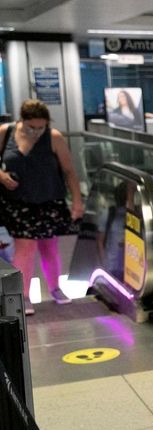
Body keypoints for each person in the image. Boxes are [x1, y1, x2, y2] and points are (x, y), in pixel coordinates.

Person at [0, 99, 84, 315]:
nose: (36, 132)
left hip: (49, 199)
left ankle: (55, 288)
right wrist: (2, 176)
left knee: (49, 246)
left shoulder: (53, 138)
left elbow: (69, 171)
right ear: (22, 121)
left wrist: (77, 200)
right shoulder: (5, 133)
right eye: (32, 127)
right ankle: (24, 295)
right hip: (18, 202)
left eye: (41, 127)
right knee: (25, 247)